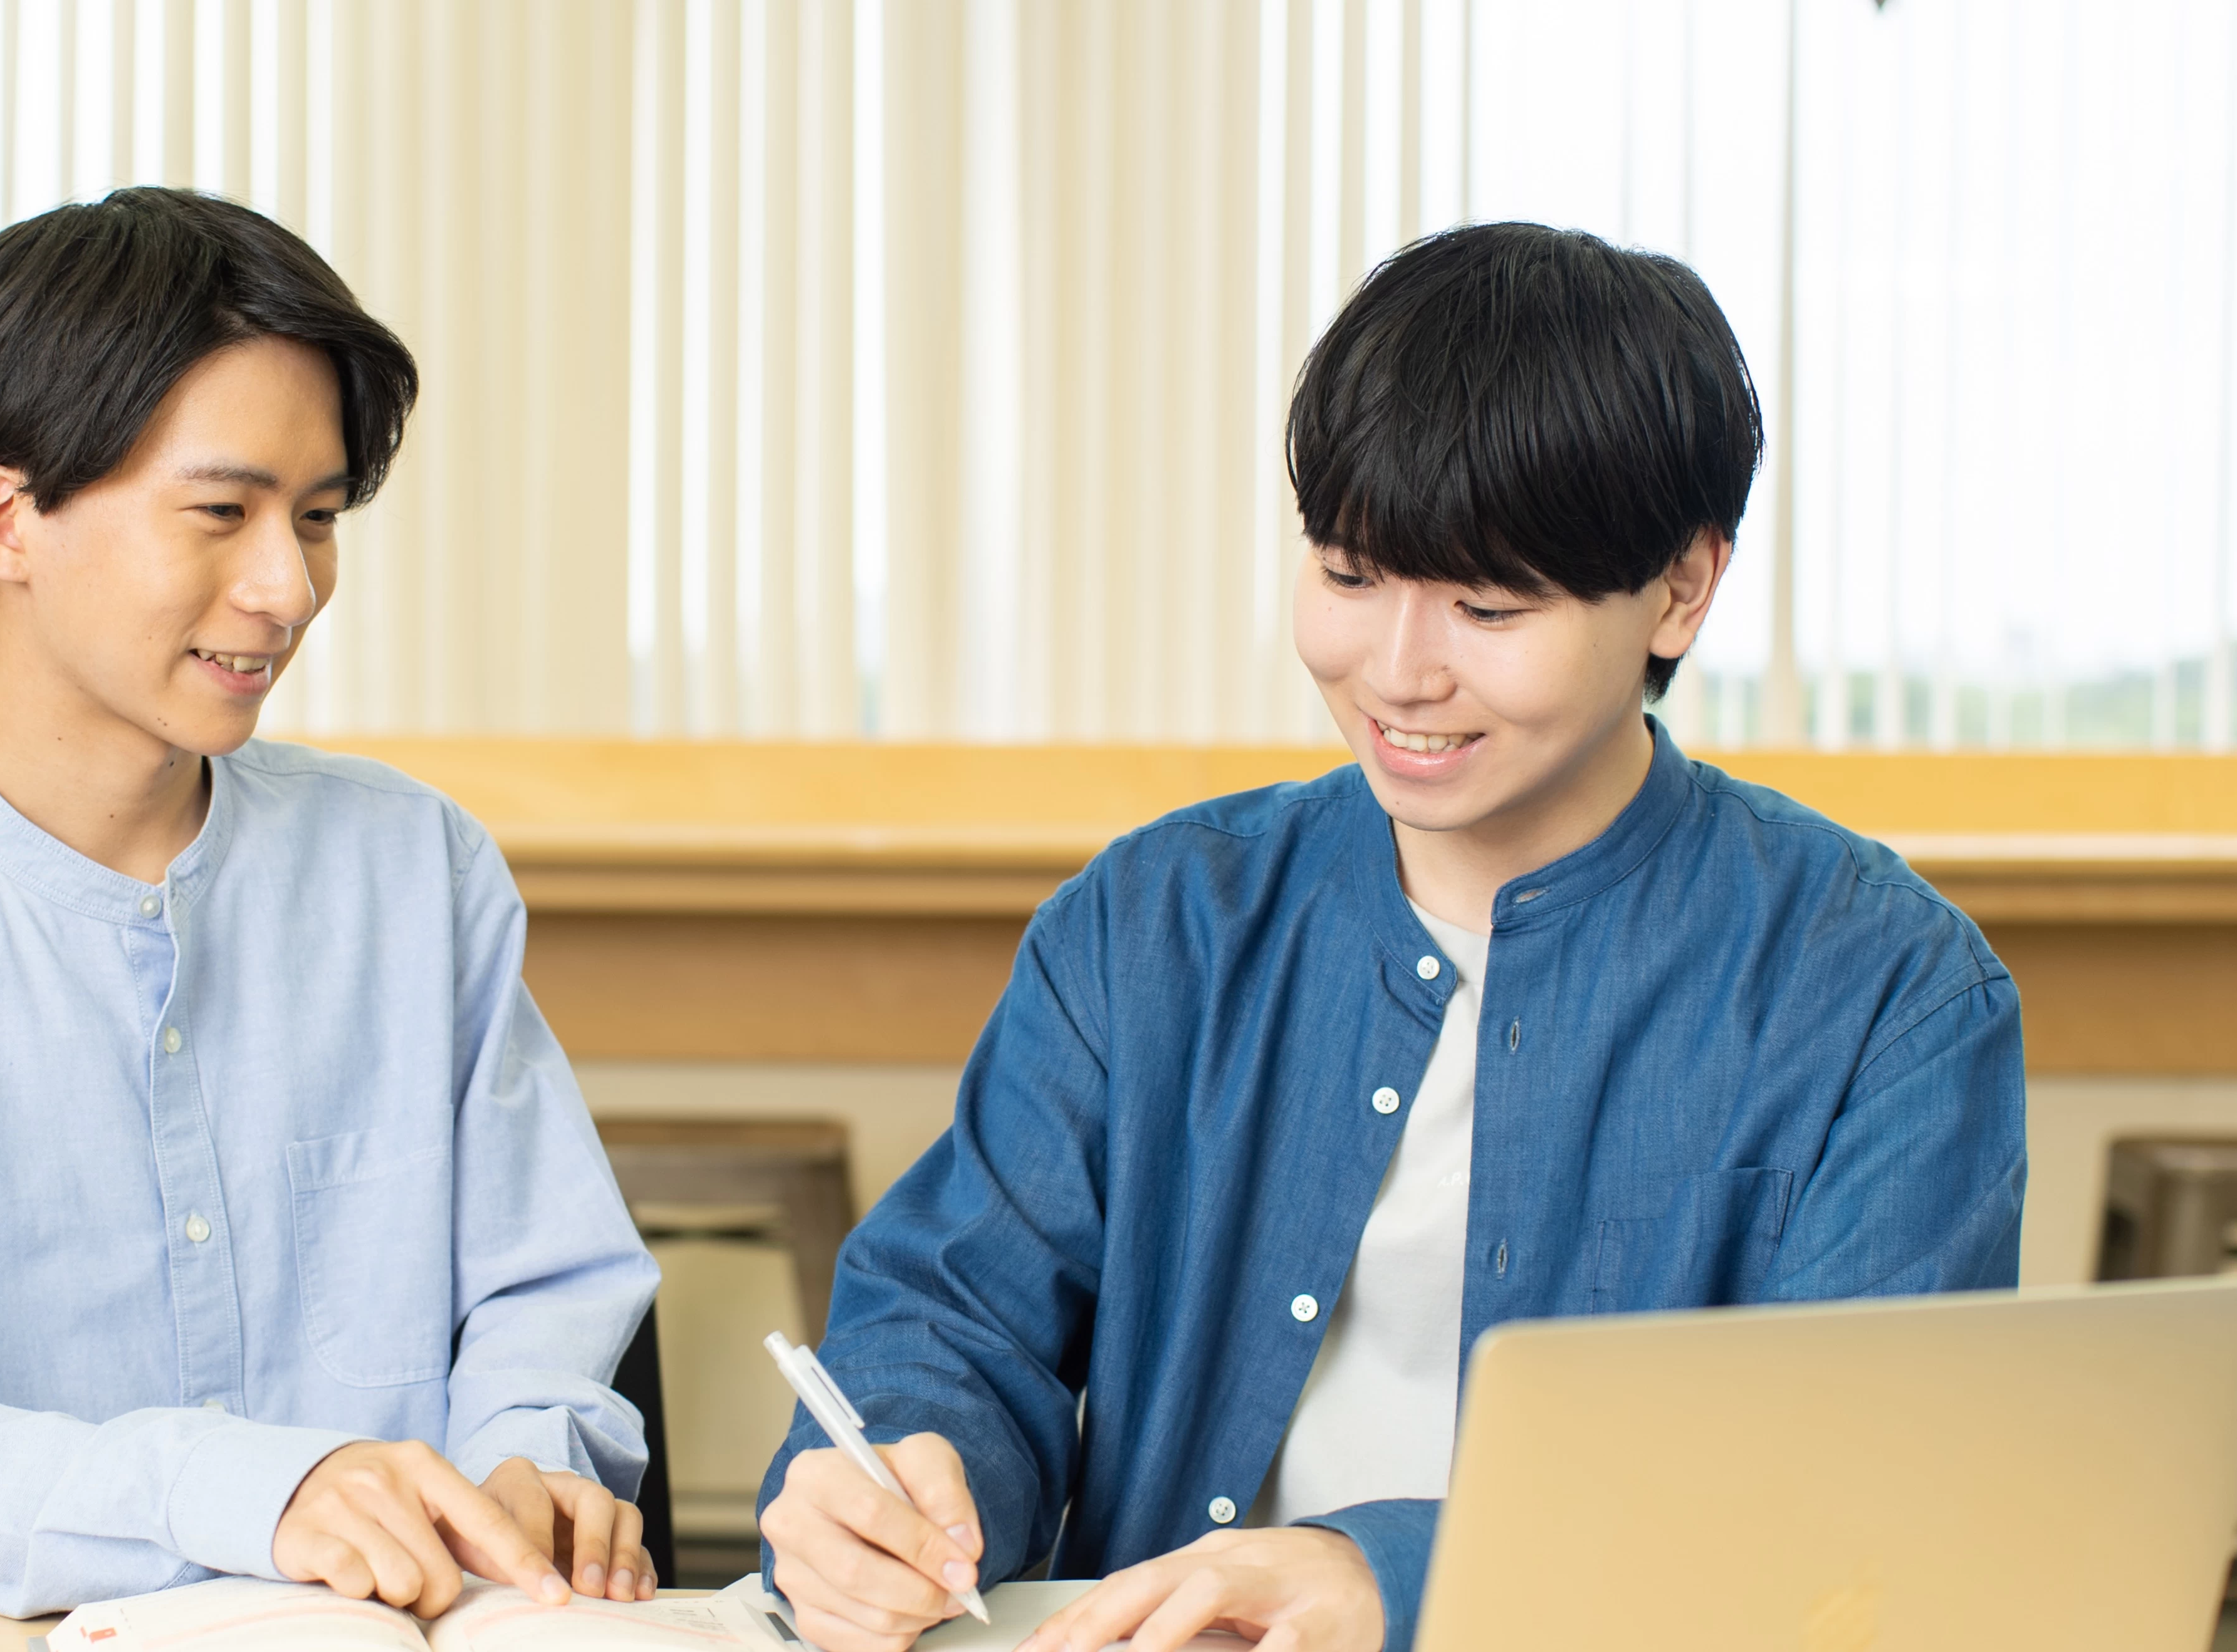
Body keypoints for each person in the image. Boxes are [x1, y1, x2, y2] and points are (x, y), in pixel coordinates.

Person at [752, 222, 2026, 1652]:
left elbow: (1848, 1501)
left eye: (1489, 606)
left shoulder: (1889, 991)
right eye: (1350, 574)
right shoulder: (1154, 920)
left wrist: (1393, 1577)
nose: (1398, 671)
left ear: (1681, 585)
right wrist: (894, 1474)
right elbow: (949, 1313)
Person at [0, 187, 661, 1620]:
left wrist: (527, 1457)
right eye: (222, 513)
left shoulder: (413, 872)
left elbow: (543, 1288)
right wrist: (243, 1492)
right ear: (4, 521)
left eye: (317, 519)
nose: (287, 588)